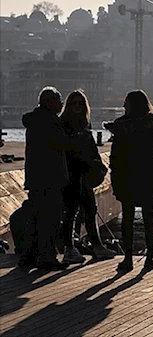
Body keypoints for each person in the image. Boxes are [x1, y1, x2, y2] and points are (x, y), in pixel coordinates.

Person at [104, 90, 153, 273]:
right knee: (149, 217)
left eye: (126, 102)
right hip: (148, 176)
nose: (124, 106)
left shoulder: (121, 126)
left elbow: (115, 155)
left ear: (132, 104)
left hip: (127, 176)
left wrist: (115, 174)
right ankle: (149, 257)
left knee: (128, 218)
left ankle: (128, 257)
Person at [18, 87, 72, 270]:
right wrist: (80, 138)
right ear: (50, 102)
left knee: (34, 218)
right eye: (59, 100)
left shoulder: (34, 120)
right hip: (50, 178)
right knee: (51, 220)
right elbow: (61, 143)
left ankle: (28, 256)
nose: (61, 104)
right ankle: (47, 257)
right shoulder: (49, 121)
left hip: (35, 177)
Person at [59, 90, 116, 264]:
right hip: (71, 174)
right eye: (74, 103)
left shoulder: (84, 125)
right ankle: (69, 247)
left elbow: (91, 149)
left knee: (91, 209)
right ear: (68, 106)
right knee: (71, 211)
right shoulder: (64, 126)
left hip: (85, 173)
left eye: (80, 104)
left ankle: (96, 245)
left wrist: (95, 163)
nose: (77, 106)